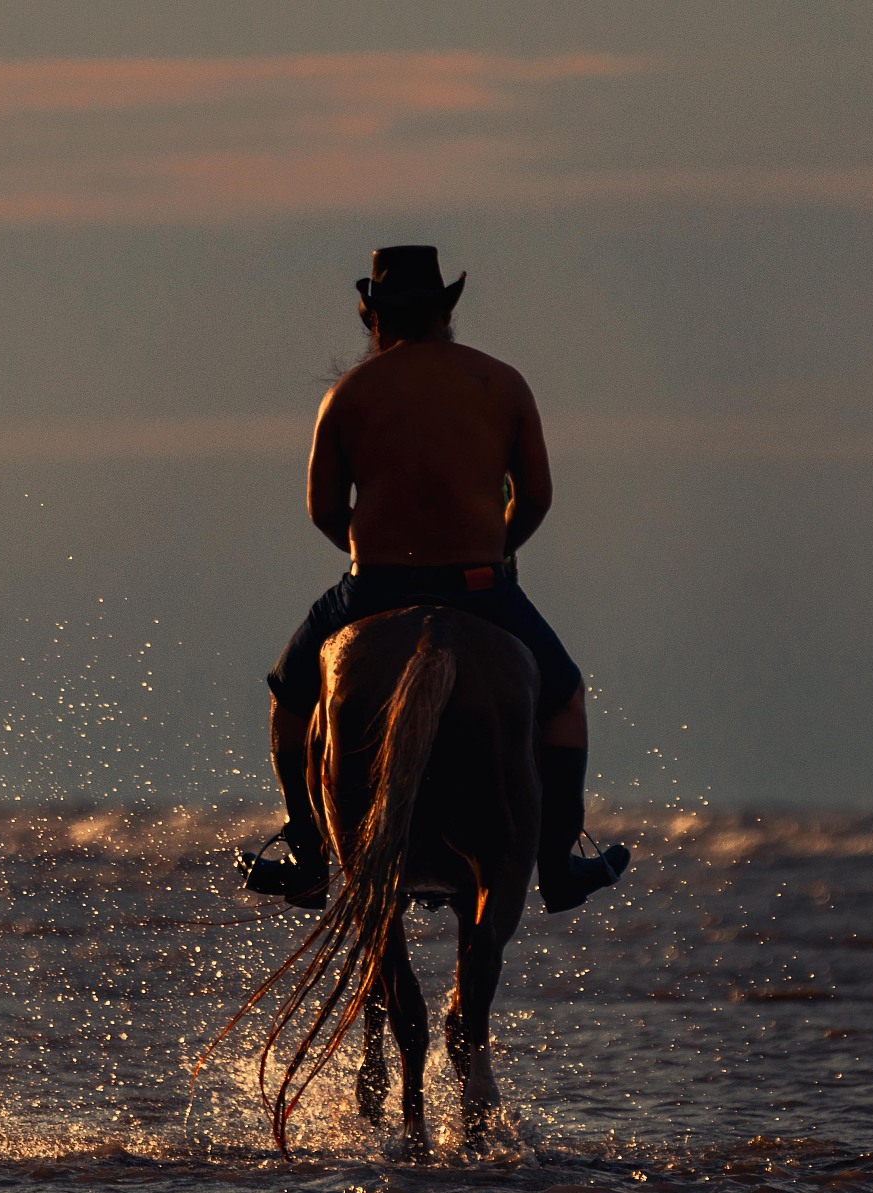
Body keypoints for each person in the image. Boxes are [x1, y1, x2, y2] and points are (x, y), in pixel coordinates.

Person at [241, 245, 629, 913]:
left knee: (288, 693)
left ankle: (306, 854)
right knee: (564, 698)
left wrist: (376, 553)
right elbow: (535, 497)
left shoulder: (349, 394)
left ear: (372, 315)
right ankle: (560, 863)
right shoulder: (502, 384)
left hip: (376, 588)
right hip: (481, 586)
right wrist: (494, 549)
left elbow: (324, 509)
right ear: (448, 309)